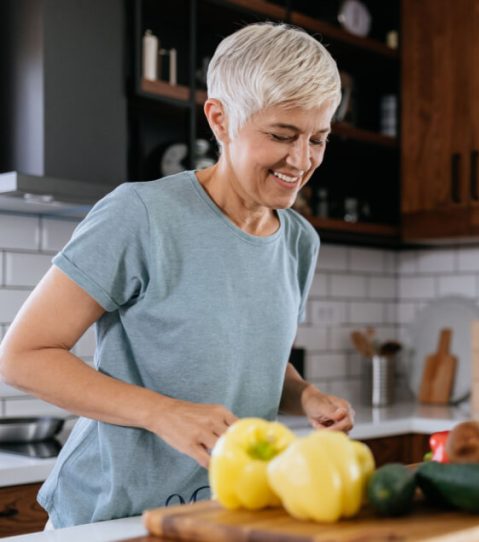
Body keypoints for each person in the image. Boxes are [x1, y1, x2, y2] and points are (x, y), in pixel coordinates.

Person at [0, 23, 352, 527]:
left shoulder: (299, 240)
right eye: (281, 135)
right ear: (220, 119)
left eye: (318, 138)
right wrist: (163, 412)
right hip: (111, 519)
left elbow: (251, 359)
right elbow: (22, 357)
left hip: (223, 515)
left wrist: (305, 395)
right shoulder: (142, 215)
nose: (302, 160)